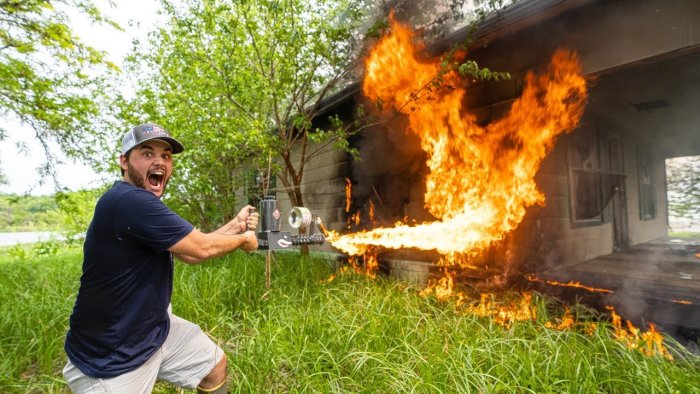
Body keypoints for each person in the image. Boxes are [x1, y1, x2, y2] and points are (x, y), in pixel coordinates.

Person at [63, 123, 259, 393]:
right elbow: (200, 248)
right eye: (147, 154)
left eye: (166, 156)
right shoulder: (129, 201)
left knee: (213, 365)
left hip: (153, 331)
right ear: (123, 162)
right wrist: (244, 239)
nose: (159, 161)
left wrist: (235, 227)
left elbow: (189, 252)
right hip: (112, 358)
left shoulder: (140, 204)